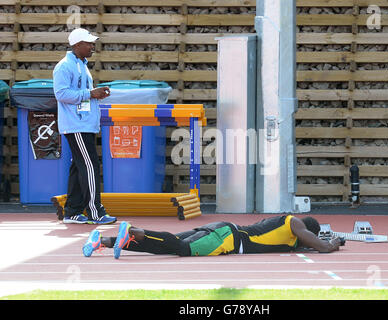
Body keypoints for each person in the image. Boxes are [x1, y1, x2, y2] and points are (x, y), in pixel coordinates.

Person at [53, 28, 116, 225]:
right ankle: (95, 212)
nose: (92, 46)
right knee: (90, 166)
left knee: (79, 167)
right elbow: (61, 94)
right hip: (77, 125)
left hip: (83, 124)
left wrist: (95, 93)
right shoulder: (64, 67)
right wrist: (90, 94)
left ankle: (72, 211)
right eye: (88, 43)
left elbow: (79, 92)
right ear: (77, 45)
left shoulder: (81, 65)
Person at [82, 215, 344, 259]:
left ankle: (103, 241)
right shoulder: (295, 223)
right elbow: (319, 246)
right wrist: (332, 243)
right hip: (226, 238)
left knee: (168, 245)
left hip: (224, 230)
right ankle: (134, 231)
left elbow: (306, 245)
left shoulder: (288, 235)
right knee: (182, 249)